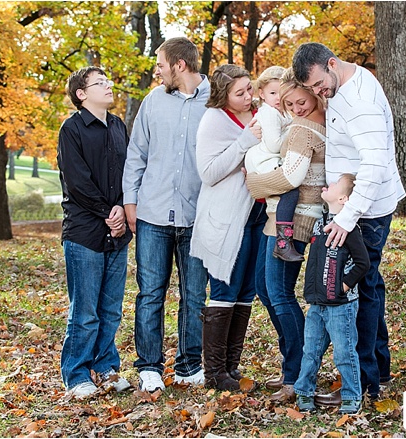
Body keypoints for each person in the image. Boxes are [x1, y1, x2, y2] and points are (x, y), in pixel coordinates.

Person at [292, 42, 406, 404]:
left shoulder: (358, 102)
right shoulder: (347, 82)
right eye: (310, 89)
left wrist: (346, 217)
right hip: (355, 204)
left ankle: (367, 381)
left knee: (355, 293)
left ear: (332, 63)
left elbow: (373, 165)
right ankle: (379, 370)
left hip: (364, 211)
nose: (317, 93)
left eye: (318, 85)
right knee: (370, 284)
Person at [123, 37, 210, 392]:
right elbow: (136, 154)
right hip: (153, 214)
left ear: (179, 65)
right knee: (150, 293)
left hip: (197, 216)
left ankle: (189, 366)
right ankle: (149, 367)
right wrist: (131, 202)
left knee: (194, 295)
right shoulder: (152, 101)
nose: (156, 71)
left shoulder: (215, 101)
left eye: (160, 64)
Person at [245, 71, 328, 402]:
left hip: (295, 219)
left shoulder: (303, 131)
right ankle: (293, 361)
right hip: (279, 216)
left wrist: (254, 183)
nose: (296, 108)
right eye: (290, 103)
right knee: (265, 289)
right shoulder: (305, 125)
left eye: (301, 102)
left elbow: (291, 177)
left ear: (315, 96)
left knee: (279, 293)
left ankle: (297, 373)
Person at [56, 66, 133, 400]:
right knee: (84, 312)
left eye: (109, 80)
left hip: (117, 232)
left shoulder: (118, 126)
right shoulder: (71, 129)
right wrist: (108, 213)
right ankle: (76, 375)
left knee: (111, 309)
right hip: (85, 231)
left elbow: (130, 172)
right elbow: (78, 182)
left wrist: (121, 210)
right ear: (81, 94)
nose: (108, 85)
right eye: (99, 83)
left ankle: (105, 367)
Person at [190, 64, 263, 391]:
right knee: (225, 291)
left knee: (246, 292)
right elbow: (208, 172)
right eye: (240, 93)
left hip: (258, 216)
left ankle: (230, 368)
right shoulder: (214, 121)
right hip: (226, 219)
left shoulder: (259, 113)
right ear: (223, 96)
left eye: (250, 88)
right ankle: (214, 372)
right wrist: (244, 142)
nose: (248, 96)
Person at [294, 173, 370, 415]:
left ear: (343, 198)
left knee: (344, 351)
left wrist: (342, 287)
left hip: (340, 304)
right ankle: (304, 391)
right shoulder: (320, 222)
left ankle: (351, 395)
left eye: (335, 183)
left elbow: (362, 263)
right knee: (311, 350)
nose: (329, 183)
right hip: (317, 302)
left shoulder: (349, 228)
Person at [245, 66, 301, 262]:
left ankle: (279, 237)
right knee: (289, 187)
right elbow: (274, 145)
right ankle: (283, 241)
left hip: (269, 159)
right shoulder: (268, 112)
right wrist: (295, 129)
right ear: (261, 93)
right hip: (262, 160)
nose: (278, 97)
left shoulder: (282, 112)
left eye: (281, 92)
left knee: (283, 193)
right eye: (272, 93)